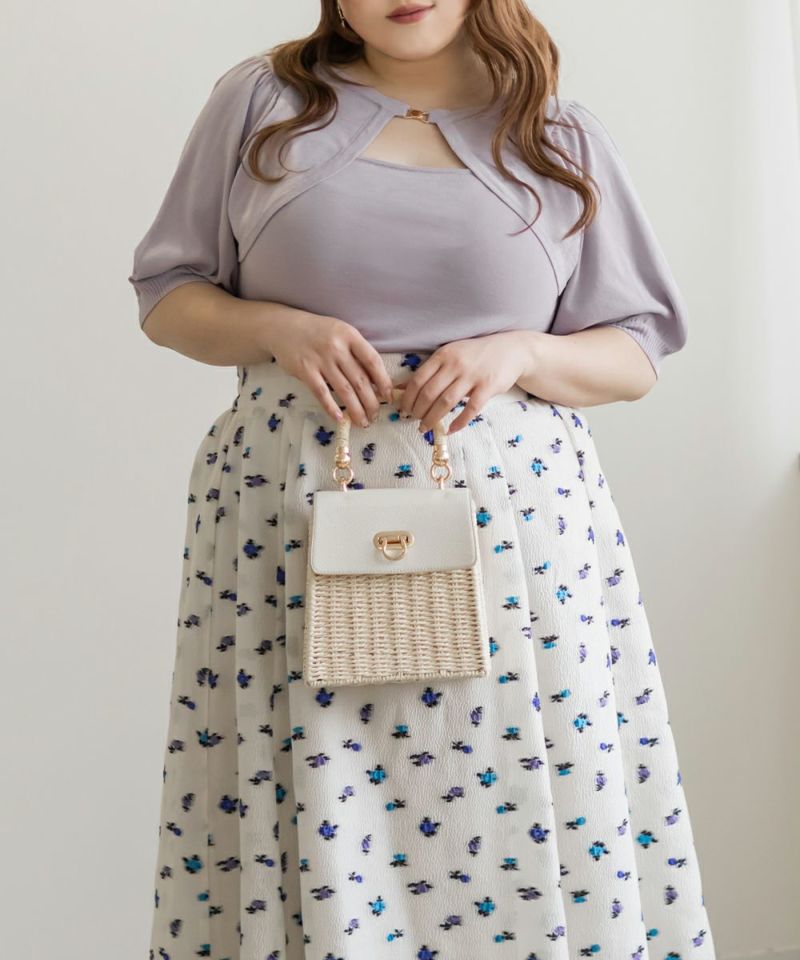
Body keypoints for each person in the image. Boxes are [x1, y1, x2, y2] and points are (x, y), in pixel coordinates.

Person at [128, 2, 717, 957]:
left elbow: (637, 350)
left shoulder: (557, 137)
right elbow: (169, 293)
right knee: (310, 795)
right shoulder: (266, 104)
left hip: (516, 548)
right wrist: (278, 328)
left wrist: (522, 351)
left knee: (515, 801)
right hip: (290, 525)